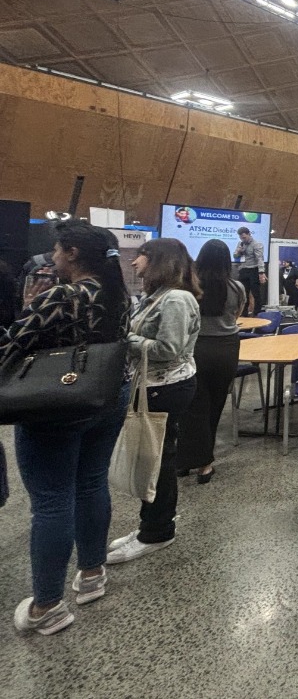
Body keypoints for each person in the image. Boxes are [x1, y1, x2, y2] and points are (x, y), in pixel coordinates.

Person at [4, 223, 130, 636]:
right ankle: (92, 574)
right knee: (92, 483)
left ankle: (48, 605)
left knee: (52, 502)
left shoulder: (62, 296)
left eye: (57, 250)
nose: (52, 258)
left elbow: (13, 346)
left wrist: (28, 308)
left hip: (55, 405)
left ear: (73, 253)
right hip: (106, 399)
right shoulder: (117, 295)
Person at [107, 238, 201, 566]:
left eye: (141, 256)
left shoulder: (176, 298)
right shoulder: (156, 296)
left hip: (167, 386)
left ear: (158, 260)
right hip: (153, 385)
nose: (134, 263)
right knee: (153, 459)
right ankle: (151, 523)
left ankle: (158, 531)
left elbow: (167, 349)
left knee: (158, 461)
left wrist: (124, 338)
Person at [177, 239, 245, 484]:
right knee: (215, 406)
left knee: (191, 407)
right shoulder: (236, 287)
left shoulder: (188, 287)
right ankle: (204, 465)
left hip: (196, 348)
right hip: (226, 349)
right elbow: (237, 315)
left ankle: (184, 462)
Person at [231, 227, 266, 314]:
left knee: (255, 293)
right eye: (241, 238)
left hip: (253, 270)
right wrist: (239, 251)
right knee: (243, 293)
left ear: (249, 234)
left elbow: (260, 259)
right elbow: (235, 256)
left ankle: (257, 313)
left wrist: (261, 273)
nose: (242, 239)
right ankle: (243, 313)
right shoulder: (240, 243)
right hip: (243, 270)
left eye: (244, 237)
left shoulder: (257, 244)